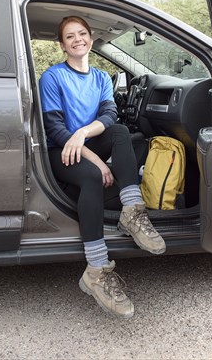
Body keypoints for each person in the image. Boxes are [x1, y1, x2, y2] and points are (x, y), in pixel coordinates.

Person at [39, 16, 166, 319]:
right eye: (70, 36)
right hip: (61, 151)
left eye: (82, 33)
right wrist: (95, 158)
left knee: (121, 133)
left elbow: (110, 115)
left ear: (91, 39)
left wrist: (83, 132)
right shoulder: (52, 77)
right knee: (93, 176)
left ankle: (132, 212)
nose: (77, 39)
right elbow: (55, 129)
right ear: (62, 45)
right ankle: (96, 270)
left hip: (82, 141)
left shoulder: (99, 78)